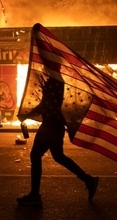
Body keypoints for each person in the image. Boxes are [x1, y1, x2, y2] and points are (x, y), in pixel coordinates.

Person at [17, 75, 99, 206]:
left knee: (36, 155)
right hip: (54, 125)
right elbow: (46, 104)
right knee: (58, 156)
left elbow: (46, 105)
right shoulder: (54, 79)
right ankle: (88, 180)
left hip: (51, 126)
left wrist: (26, 115)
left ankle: (35, 195)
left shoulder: (55, 81)